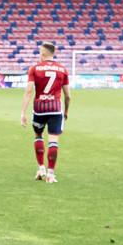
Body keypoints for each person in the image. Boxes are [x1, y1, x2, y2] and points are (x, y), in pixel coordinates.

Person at [21, 41, 71, 183]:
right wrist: (66, 111)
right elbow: (67, 96)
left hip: (39, 108)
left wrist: (23, 113)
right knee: (53, 140)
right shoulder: (62, 69)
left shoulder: (35, 69)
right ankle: (50, 174)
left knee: (38, 135)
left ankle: (41, 168)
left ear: (43, 53)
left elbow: (29, 91)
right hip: (55, 108)